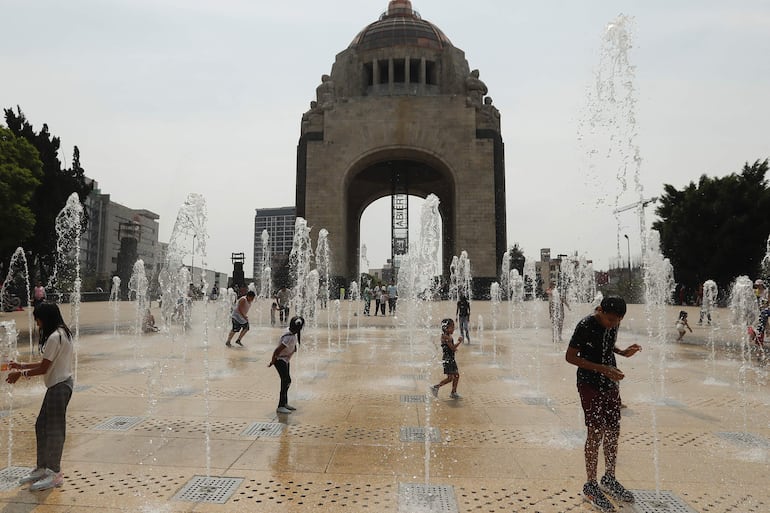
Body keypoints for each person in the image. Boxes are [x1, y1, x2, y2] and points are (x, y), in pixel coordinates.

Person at [565, 296, 641, 513]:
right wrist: (602, 369)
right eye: (609, 320)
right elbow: (570, 357)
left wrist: (622, 352)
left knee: (613, 430)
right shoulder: (585, 325)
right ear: (599, 310)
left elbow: (605, 344)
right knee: (595, 431)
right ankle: (590, 484)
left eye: (617, 321)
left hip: (609, 381)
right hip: (589, 383)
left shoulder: (612, 322)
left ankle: (609, 477)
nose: (613, 324)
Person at [6, 303, 74, 491]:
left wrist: (20, 374)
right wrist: (21, 366)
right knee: (42, 425)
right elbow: (47, 363)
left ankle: (55, 473)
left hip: (59, 387)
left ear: (45, 318)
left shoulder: (54, 337)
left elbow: (44, 368)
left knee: (54, 430)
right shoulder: (62, 333)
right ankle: (43, 467)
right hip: (59, 385)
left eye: (38, 319)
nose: (37, 323)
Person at [268, 316, 305, 414]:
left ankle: (284, 403)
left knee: (286, 381)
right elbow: (277, 350)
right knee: (286, 381)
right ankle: (280, 406)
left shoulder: (290, 332)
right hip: (280, 360)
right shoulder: (289, 337)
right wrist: (272, 361)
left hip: (285, 360)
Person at [430, 318, 464, 399]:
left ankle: (450, 391)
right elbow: (452, 348)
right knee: (452, 377)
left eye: (453, 327)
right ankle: (439, 388)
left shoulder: (448, 336)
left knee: (453, 377)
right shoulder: (446, 337)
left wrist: (453, 349)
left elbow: (450, 348)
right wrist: (459, 342)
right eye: (452, 327)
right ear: (446, 328)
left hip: (450, 359)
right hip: (448, 360)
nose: (453, 329)